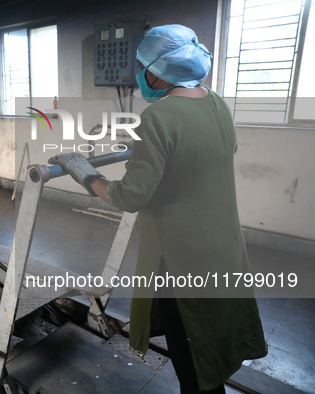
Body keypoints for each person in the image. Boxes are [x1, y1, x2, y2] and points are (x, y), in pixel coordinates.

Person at [49, 24, 268, 393]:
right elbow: (203, 157)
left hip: (183, 256)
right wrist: (153, 153)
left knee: (191, 352)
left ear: (159, 69)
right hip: (224, 245)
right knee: (214, 336)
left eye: (142, 65)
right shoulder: (216, 104)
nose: (138, 75)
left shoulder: (158, 118)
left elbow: (128, 196)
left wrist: (83, 171)